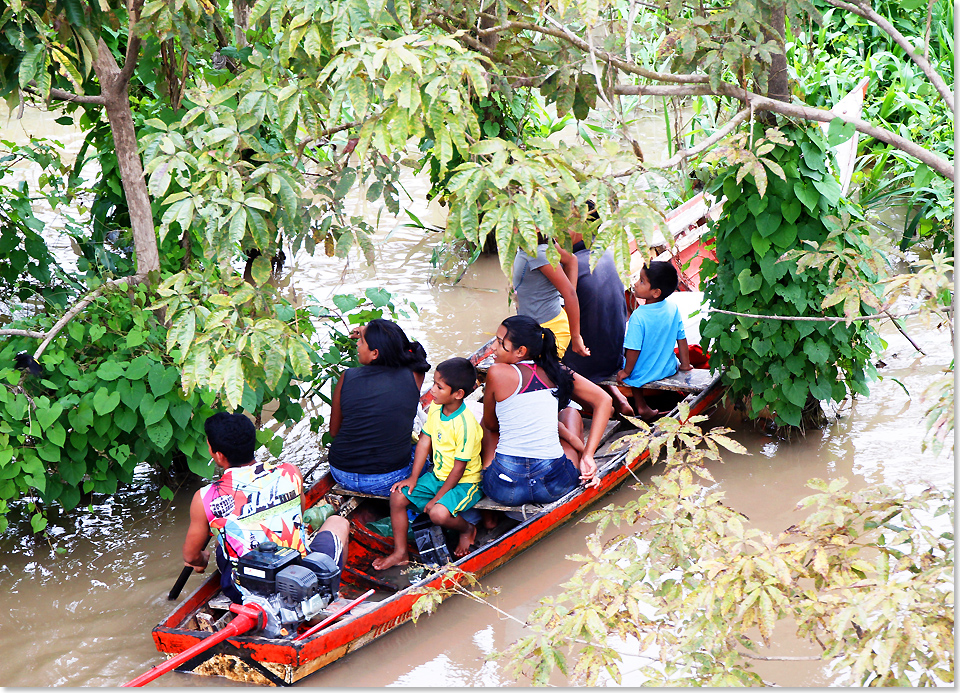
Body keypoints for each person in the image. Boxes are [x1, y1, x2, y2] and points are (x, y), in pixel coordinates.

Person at [182, 412, 350, 604]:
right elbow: (299, 515)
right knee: (339, 522)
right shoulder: (290, 472)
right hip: (302, 579)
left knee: (223, 541)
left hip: (243, 592)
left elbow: (190, 555)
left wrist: (201, 561)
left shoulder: (205, 497)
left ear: (219, 455)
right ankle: (331, 593)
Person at [480, 315, 613, 506]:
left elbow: (492, 425)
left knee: (486, 422)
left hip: (505, 489)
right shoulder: (555, 370)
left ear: (521, 351)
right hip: (554, 486)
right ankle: (583, 458)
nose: (493, 347)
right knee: (570, 413)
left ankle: (487, 469)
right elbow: (604, 400)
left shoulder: (496, 372)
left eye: (500, 343)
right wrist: (589, 454)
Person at [372, 358, 483, 570]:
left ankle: (467, 529)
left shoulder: (465, 424)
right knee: (397, 496)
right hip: (438, 476)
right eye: (433, 383)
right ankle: (400, 553)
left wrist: (438, 498)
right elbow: (424, 441)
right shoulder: (436, 408)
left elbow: (459, 469)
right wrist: (413, 478)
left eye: (439, 387)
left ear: (458, 394)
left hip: (465, 483)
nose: (432, 390)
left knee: (437, 513)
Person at [327, 319, 431, 496]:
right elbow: (416, 353)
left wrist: (365, 330)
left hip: (341, 473)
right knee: (423, 449)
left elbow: (334, 432)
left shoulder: (348, 376)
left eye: (362, 341)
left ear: (375, 353)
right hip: (388, 480)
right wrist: (368, 332)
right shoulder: (414, 375)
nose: (357, 345)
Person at [559, 227, 634, 415]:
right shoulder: (608, 255)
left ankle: (592, 405)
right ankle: (619, 398)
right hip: (614, 355)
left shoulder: (571, 267)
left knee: (547, 358)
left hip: (586, 359)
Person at [616, 261, 693, 420]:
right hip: (669, 368)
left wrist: (626, 372)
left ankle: (641, 405)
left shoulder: (639, 316)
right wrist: (685, 365)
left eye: (642, 281)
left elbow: (633, 349)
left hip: (644, 373)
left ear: (656, 292)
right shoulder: (673, 308)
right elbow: (681, 338)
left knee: (629, 367)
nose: (636, 284)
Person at [512, 238, 590, 359]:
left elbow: (570, 294)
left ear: (537, 228)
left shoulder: (539, 255)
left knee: (543, 374)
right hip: (534, 325)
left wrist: (576, 337)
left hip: (548, 329)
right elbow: (571, 259)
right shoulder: (538, 246)